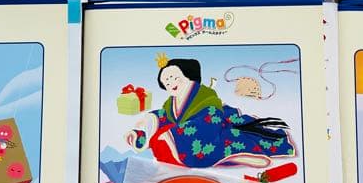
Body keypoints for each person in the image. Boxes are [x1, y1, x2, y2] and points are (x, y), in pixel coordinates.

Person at [126, 58, 295, 168]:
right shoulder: (171, 103)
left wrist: (174, 134)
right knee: (161, 135)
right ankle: (230, 156)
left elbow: (210, 117)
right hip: (189, 124)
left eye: (174, 77)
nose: (170, 83)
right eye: (166, 82)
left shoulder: (205, 96)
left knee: (228, 135)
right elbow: (166, 115)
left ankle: (236, 154)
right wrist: (146, 124)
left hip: (211, 121)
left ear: (188, 76)